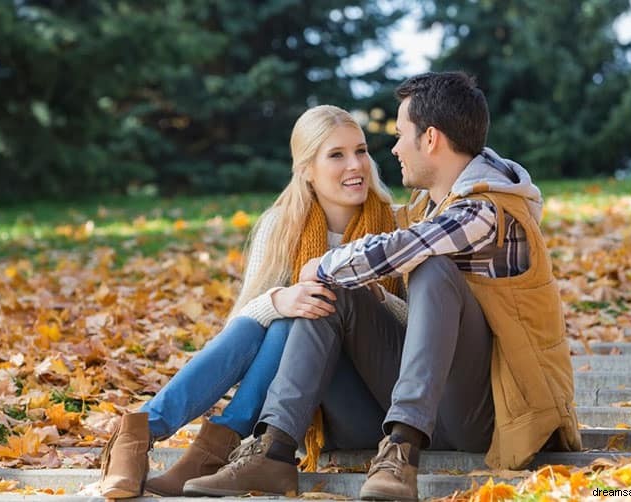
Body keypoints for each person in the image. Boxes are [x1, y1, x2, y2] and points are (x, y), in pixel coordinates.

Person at [183, 72, 581, 500]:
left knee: (431, 269)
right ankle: (272, 453)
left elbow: (402, 248)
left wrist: (322, 263)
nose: (392, 149)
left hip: (492, 416)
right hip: (421, 403)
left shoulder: (488, 211)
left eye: (399, 134)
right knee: (332, 293)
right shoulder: (428, 207)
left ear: (430, 139)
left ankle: (401, 452)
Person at [98, 105, 406, 499]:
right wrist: (280, 299)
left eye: (361, 151)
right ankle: (143, 432)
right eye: (337, 155)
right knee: (282, 314)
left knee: (305, 311)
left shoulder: (396, 226)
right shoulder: (282, 226)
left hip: (368, 407)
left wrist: (367, 299)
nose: (356, 165)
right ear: (306, 169)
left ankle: (188, 443)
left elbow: (417, 330)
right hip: (294, 411)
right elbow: (239, 332)